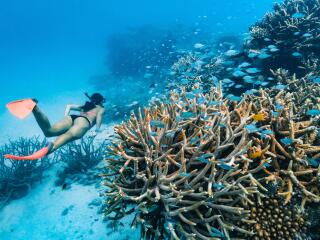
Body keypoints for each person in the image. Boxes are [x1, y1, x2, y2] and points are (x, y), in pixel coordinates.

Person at [4, 93, 105, 160]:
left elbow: (69, 106)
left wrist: (66, 117)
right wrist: (97, 130)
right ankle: (39, 153)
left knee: (49, 131)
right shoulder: (101, 108)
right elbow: (99, 116)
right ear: (100, 101)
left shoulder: (85, 106)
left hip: (72, 118)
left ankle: (35, 108)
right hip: (84, 122)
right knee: (58, 143)